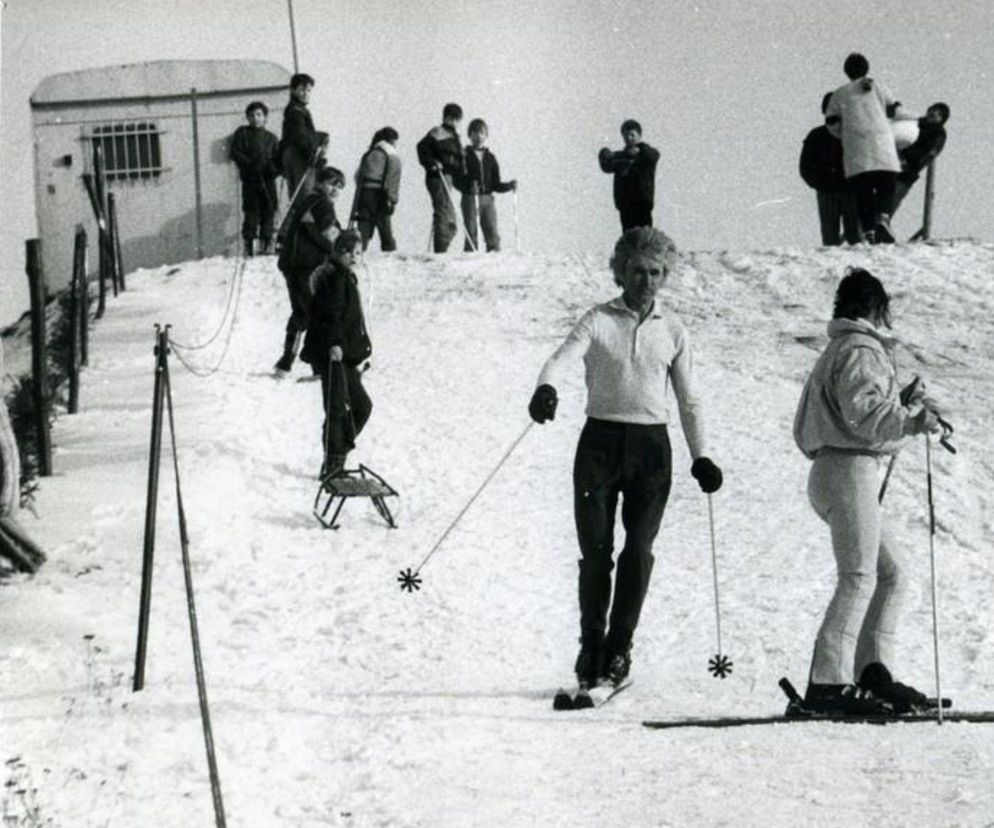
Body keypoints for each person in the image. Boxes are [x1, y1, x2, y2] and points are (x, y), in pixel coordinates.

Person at [528, 227, 723, 689]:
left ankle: (619, 649)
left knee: (638, 551)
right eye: (638, 271)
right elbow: (560, 358)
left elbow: (690, 399)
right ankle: (590, 646)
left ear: (665, 276)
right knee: (595, 554)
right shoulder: (599, 319)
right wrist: (546, 388)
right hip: (599, 445)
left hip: (651, 451)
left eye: (656, 273)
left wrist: (703, 456)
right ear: (621, 272)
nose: (646, 281)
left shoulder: (673, 331)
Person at [793, 267, 943, 714]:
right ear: (878, 309)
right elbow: (862, 412)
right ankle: (827, 682)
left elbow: (860, 404)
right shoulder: (861, 348)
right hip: (847, 467)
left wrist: (900, 401)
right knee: (858, 575)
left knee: (892, 572)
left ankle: (871, 672)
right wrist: (912, 421)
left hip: (838, 468)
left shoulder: (844, 347)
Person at [300, 230, 372, 478]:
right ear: (337, 252)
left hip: (347, 356)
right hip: (334, 354)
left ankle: (338, 453)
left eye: (358, 252)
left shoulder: (346, 278)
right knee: (337, 409)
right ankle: (333, 465)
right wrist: (335, 344)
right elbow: (330, 315)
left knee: (361, 406)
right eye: (348, 251)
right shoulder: (335, 279)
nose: (354, 256)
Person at [825, 53, 916, 243]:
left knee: (863, 191)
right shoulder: (879, 87)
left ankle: (869, 232)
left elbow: (831, 122)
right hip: (881, 144)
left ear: (847, 72)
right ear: (866, 68)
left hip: (856, 148)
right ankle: (883, 218)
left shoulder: (839, 94)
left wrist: (845, 133)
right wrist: (918, 118)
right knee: (886, 185)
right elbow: (895, 110)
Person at [274, 166, 345, 375]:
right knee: (315, 313)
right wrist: (345, 242)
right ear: (320, 183)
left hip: (292, 264)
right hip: (308, 265)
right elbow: (329, 234)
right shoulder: (323, 204)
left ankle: (286, 361)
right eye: (331, 184)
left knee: (300, 313)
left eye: (340, 187)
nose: (335, 190)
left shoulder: (308, 200)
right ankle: (317, 366)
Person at [799, 93, 860, 246]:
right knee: (842, 240)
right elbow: (805, 167)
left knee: (852, 238)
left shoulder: (819, 134)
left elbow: (805, 167)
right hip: (836, 191)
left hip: (845, 191)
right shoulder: (818, 135)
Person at [229, 101, 281, 256]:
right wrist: (250, 166)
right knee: (251, 212)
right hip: (250, 181)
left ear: (265, 117)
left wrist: (272, 169)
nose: (255, 118)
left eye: (259, 114)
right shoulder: (242, 133)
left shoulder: (271, 138)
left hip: (268, 181)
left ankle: (266, 244)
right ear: (247, 117)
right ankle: (249, 245)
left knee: (269, 211)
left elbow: (278, 160)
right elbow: (236, 152)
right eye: (251, 115)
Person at [458, 118, 517, 252]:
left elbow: (495, 183)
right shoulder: (463, 155)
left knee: (492, 233)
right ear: (469, 135)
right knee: (471, 233)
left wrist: (509, 186)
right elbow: (458, 179)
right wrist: (468, 186)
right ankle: (470, 261)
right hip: (470, 198)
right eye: (475, 132)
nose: (478, 136)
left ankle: (494, 262)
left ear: (486, 135)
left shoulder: (490, 158)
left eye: (482, 133)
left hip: (487, 199)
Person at [416, 103, 465, 253]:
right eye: (451, 118)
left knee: (449, 216)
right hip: (438, 176)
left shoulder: (454, 137)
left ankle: (442, 246)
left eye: (457, 119)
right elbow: (421, 147)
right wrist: (431, 163)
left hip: (448, 178)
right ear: (445, 117)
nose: (454, 122)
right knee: (444, 211)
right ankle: (440, 250)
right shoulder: (438, 132)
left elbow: (457, 161)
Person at [598, 120, 661, 231]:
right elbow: (606, 164)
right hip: (625, 203)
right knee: (628, 237)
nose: (629, 138)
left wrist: (640, 150)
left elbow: (654, 155)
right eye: (626, 135)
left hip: (642, 202)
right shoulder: (621, 157)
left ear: (639, 135)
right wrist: (605, 152)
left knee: (644, 236)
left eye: (632, 135)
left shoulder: (647, 154)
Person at [893, 102, 950, 216]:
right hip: (890, 165)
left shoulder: (938, 132)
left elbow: (929, 153)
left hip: (907, 172)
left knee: (889, 202)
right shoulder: (914, 123)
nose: (934, 113)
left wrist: (906, 159)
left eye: (939, 113)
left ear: (942, 118)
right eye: (933, 110)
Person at [279, 73, 329, 198]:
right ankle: (304, 217)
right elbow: (300, 136)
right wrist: (313, 156)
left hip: (292, 153)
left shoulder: (296, 109)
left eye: (308, 90)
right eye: (301, 90)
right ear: (293, 90)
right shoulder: (296, 111)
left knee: (297, 193)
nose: (305, 93)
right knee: (305, 193)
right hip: (299, 155)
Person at [353, 127, 402, 252]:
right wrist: (392, 199)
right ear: (391, 140)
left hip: (364, 193)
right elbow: (393, 178)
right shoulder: (391, 154)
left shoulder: (369, 153)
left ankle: (359, 252)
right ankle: (390, 255)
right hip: (380, 194)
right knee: (385, 228)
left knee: (364, 226)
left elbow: (357, 176)